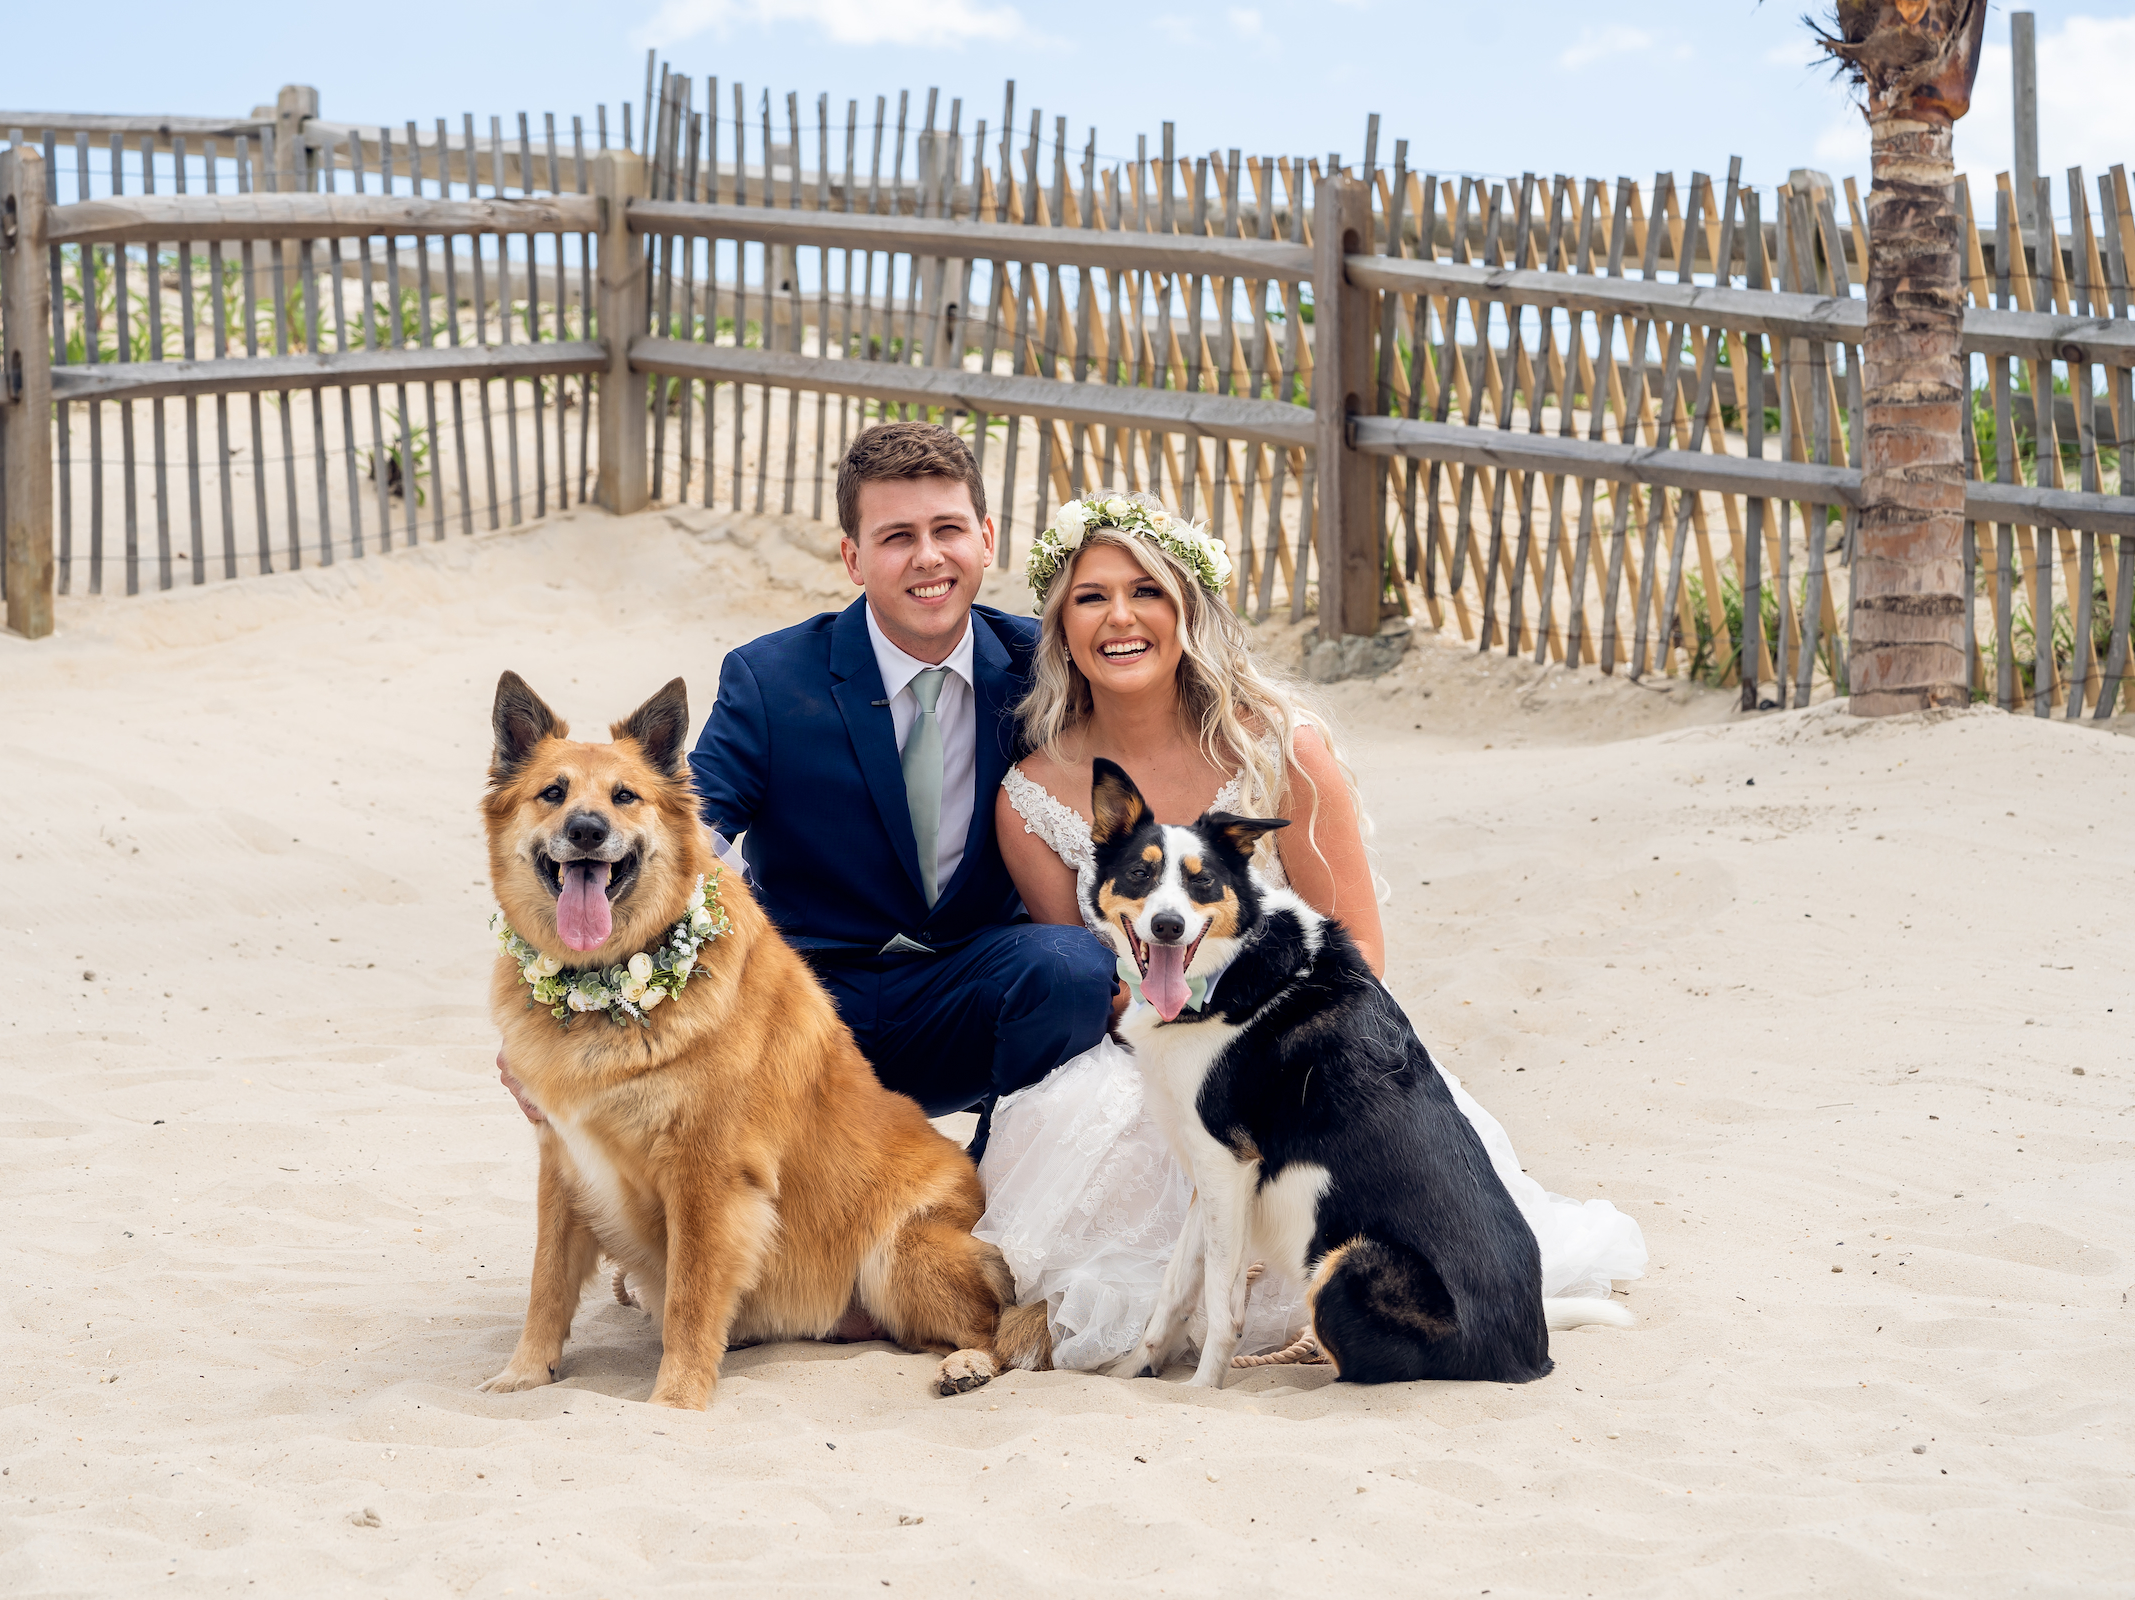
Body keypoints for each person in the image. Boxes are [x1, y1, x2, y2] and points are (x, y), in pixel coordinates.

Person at [975, 491, 1647, 1370]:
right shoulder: (1033, 796)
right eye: (1092, 596)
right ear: (1061, 626)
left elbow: (1359, 950)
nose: (1121, 617)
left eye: (1148, 591)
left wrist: (1252, 1061)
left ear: (1189, 611)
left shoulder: (1279, 749)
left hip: (1303, 1057)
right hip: (1141, 1062)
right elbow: (1074, 972)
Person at [497, 422, 1114, 1149]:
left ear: (984, 537)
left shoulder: (1041, 667)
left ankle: (995, 1185)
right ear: (853, 558)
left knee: (1073, 967)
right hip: (808, 1009)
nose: (928, 557)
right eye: (896, 537)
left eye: (948, 529)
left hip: (974, 997)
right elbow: (674, 841)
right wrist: (555, 1000)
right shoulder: (771, 678)